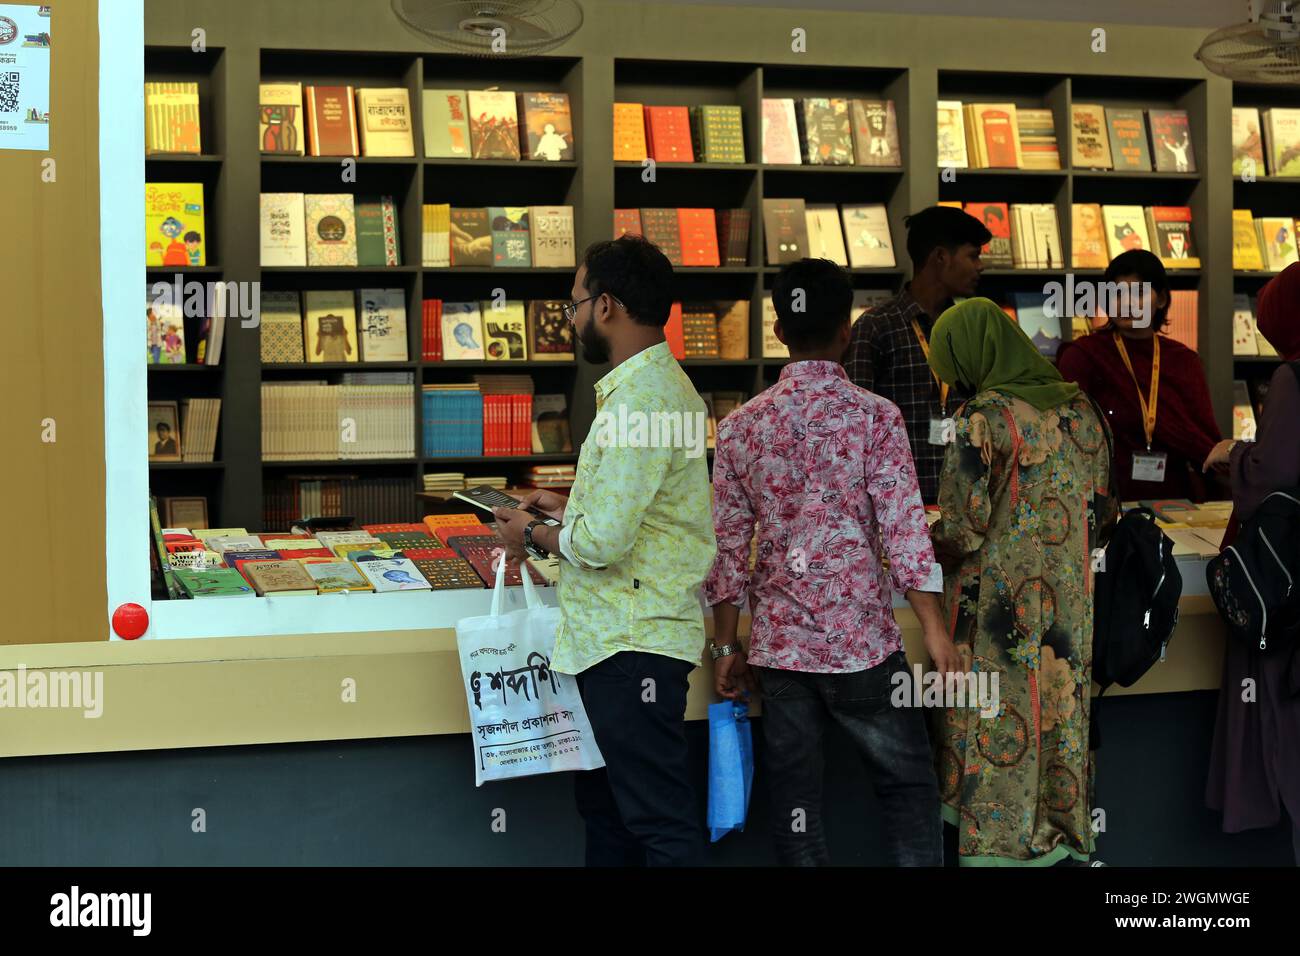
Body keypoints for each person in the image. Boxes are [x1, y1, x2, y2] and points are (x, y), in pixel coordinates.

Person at [704, 258, 956, 866]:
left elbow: (729, 550)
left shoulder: (739, 428)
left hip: (781, 652)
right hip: (864, 646)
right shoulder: (877, 417)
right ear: (847, 331)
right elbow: (904, 534)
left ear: (779, 330)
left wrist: (725, 647)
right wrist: (935, 632)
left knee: (796, 804)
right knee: (908, 788)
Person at [493, 235, 717, 867]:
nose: (573, 320)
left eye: (576, 304)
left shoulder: (638, 402)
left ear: (609, 306)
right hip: (621, 643)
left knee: (656, 822)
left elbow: (601, 544)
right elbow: (641, 514)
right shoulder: (654, 389)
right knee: (611, 814)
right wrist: (567, 503)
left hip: (630, 646)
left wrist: (526, 534)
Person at [927, 298, 1117, 866]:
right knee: (1060, 719)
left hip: (995, 614)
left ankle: (996, 850)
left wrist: (920, 538)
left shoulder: (980, 417)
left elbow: (962, 529)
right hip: (1068, 612)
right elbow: (1105, 515)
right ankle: (1059, 840)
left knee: (994, 725)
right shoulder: (1083, 409)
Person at [1203, 262, 1300, 864]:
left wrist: (1232, 454)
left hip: (1289, 592)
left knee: (1286, 741)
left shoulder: (1293, 375)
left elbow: (1276, 472)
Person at [843, 205, 990, 503]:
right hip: (898, 505)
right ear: (940, 257)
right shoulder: (876, 327)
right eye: (972, 255)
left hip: (967, 503)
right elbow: (855, 425)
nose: (980, 266)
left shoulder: (974, 327)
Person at [1057, 249, 1221, 502]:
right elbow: (1065, 437)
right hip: (1103, 500)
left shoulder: (1183, 361)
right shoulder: (1084, 355)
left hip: (1175, 500)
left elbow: (1204, 442)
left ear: (1162, 299)